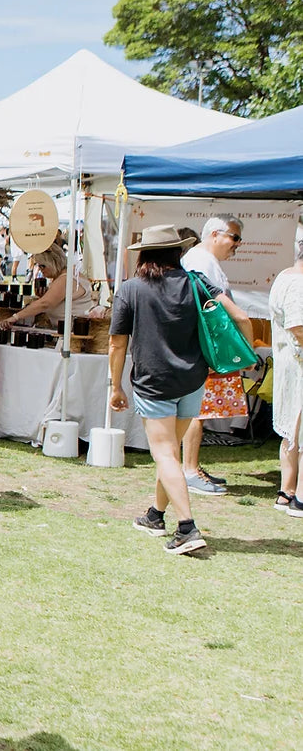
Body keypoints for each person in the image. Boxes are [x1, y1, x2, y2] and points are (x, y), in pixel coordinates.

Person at [109, 225, 220, 556]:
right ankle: (155, 516)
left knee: (166, 455)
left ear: (143, 253)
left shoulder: (130, 289)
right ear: (177, 252)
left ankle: (187, 527)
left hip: (153, 381)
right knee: (169, 452)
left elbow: (117, 342)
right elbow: (233, 317)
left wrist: (115, 386)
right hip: (192, 381)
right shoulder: (197, 283)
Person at [177, 215, 254, 496]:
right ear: (214, 234)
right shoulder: (201, 260)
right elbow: (208, 308)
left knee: (200, 408)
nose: (237, 245)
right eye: (234, 237)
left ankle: (191, 467)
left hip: (206, 346)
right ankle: (189, 470)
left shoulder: (205, 260)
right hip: (204, 346)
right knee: (196, 409)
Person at [0, 241, 103, 330]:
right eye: (38, 266)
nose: (41, 270)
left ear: (53, 262)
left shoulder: (64, 279)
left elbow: (45, 304)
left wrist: (15, 317)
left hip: (72, 331)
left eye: (43, 266)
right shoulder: (70, 273)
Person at [268, 242, 303, 517]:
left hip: (288, 363)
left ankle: (287, 491)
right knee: (298, 431)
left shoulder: (284, 275)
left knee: (292, 432)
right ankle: (300, 497)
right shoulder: (299, 282)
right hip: (298, 363)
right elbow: (298, 327)